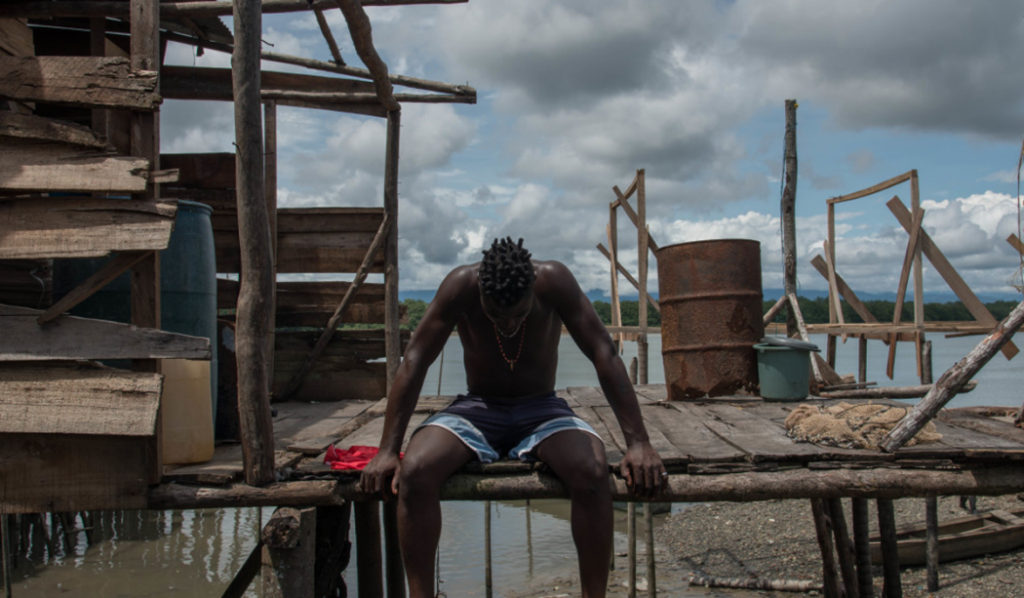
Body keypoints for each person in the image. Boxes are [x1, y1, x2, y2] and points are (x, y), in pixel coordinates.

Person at [359, 237, 666, 598]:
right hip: (478, 409)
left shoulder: (554, 281)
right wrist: (386, 451)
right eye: (495, 316)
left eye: (518, 315)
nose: (507, 325)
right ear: (481, 295)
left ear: (534, 290)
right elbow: (415, 359)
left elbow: (604, 353)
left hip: (541, 409)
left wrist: (639, 443)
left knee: (592, 470)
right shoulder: (461, 285)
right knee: (415, 470)